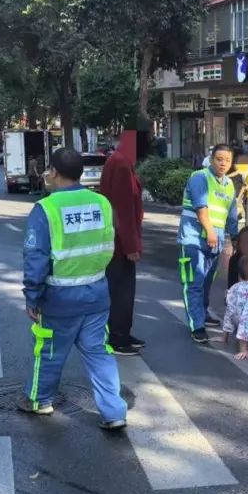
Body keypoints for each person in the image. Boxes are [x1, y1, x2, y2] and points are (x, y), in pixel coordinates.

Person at [21, 147, 128, 429]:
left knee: (50, 351)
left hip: (59, 299)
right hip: (96, 294)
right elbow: (110, 243)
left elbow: (36, 258)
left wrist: (32, 296)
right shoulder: (102, 203)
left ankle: (39, 400)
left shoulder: (46, 208)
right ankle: (114, 412)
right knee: (99, 353)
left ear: (53, 172)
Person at [179, 143, 238, 343]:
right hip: (194, 239)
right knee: (194, 283)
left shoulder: (229, 184)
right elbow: (201, 208)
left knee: (205, 282)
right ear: (211, 159)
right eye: (219, 159)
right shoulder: (200, 177)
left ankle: (202, 313)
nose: (223, 164)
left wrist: (236, 237)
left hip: (215, 241)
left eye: (227, 160)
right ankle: (197, 326)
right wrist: (210, 231)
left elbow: (231, 215)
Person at [99, 131, 146, 356]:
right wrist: (131, 246)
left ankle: (123, 333)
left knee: (124, 291)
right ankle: (117, 337)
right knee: (121, 292)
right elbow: (123, 210)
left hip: (120, 241)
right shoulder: (120, 164)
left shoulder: (122, 162)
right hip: (119, 244)